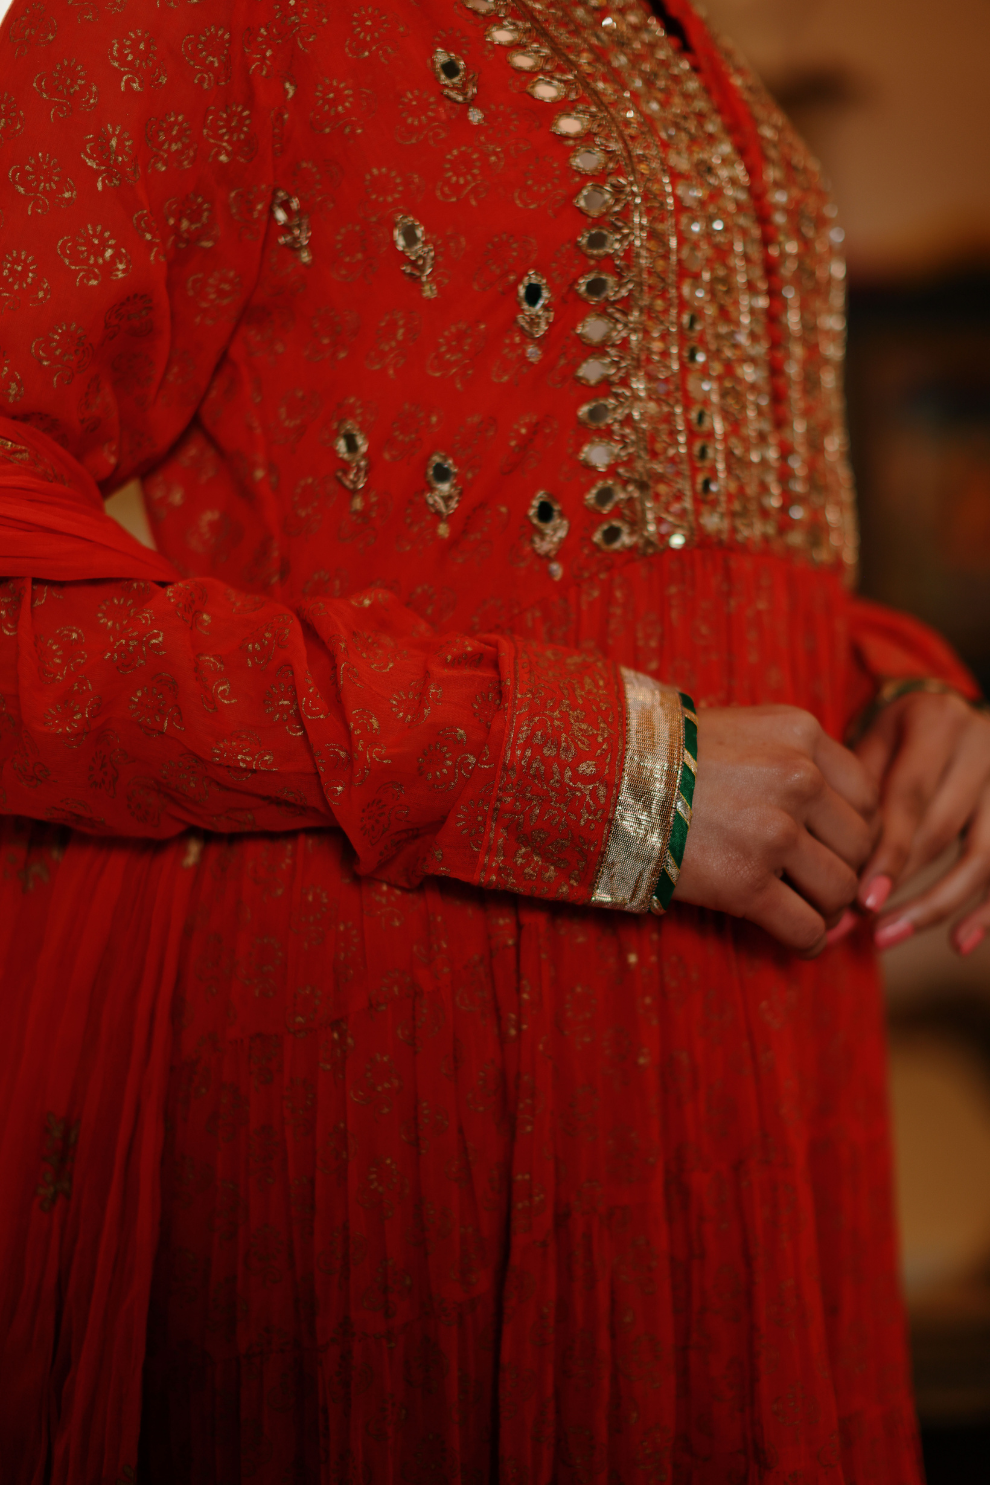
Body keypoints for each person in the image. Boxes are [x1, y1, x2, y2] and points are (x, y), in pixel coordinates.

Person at [1, 0, 989, 1479]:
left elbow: (668, 557)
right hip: (415, 1069)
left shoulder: (673, 30)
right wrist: (582, 767)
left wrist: (897, 689)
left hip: (763, 1089)